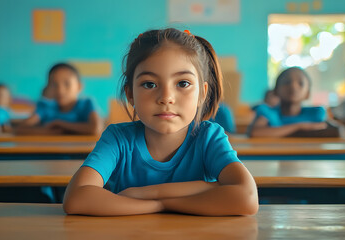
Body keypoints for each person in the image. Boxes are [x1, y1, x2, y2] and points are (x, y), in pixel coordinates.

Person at [63, 28, 258, 216]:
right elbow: (76, 198)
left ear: (202, 93)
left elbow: (247, 198)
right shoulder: (118, 138)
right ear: (130, 94)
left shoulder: (209, 137)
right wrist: (160, 205)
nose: (166, 97)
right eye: (149, 84)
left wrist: (152, 196)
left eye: (183, 83)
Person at [18, 63, 103, 135]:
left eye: (67, 84)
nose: (60, 90)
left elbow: (96, 128)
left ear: (79, 86)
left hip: (81, 153)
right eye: (54, 84)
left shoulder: (86, 104)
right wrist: (44, 131)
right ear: (48, 87)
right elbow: (21, 128)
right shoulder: (45, 106)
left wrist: (60, 124)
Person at [248, 67, 328, 137]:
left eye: (300, 83)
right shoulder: (268, 112)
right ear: (276, 91)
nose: (293, 86)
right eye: (286, 82)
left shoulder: (316, 113)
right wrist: (299, 126)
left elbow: (330, 130)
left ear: (308, 94)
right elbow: (255, 133)